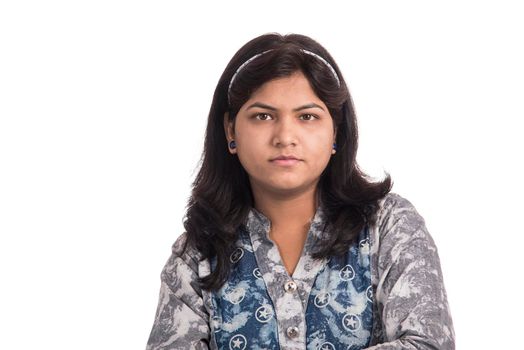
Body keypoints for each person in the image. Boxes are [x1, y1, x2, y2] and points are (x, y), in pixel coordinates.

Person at [146, 33, 455, 350]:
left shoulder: (389, 227)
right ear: (230, 131)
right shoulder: (197, 254)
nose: (285, 136)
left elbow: (428, 344)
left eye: (307, 116)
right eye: (263, 116)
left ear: (335, 131)